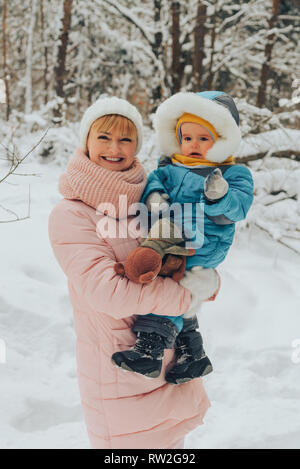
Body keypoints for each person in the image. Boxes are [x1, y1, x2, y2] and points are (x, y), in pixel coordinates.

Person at [48, 96, 217, 449]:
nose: (114, 148)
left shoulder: (149, 200)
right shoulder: (72, 214)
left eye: (126, 139)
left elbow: (184, 253)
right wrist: (188, 295)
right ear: (86, 141)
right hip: (121, 373)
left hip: (169, 365)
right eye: (104, 137)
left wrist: (206, 277)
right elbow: (106, 293)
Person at [112, 91, 254, 385]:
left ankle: (149, 351)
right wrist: (156, 199)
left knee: (169, 282)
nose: (193, 145)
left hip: (206, 241)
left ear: (222, 140)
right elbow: (154, 184)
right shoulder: (171, 167)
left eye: (204, 138)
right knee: (181, 285)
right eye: (187, 138)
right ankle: (193, 356)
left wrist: (220, 195)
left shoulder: (233, 172)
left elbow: (237, 209)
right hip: (172, 236)